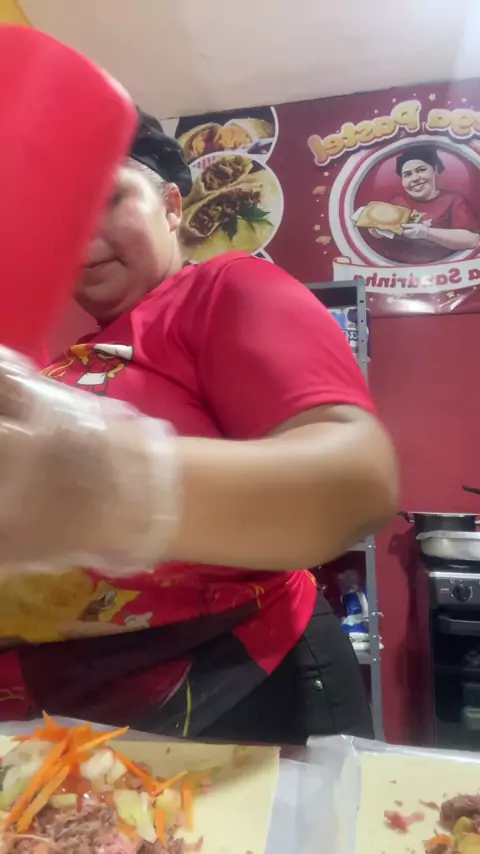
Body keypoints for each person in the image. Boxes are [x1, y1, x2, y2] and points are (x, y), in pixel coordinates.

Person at [0, 109, 398, 744]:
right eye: (61, 218)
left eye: (106, 200)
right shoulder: (70, 357)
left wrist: (112, 485)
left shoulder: (224, 289)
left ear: (171, 206)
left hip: (240, 687)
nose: (80, 237)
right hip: (78, 716)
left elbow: (356, 482)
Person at [371, 145, 480, 264]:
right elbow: (385, 233)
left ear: (435, 170)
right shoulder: (397, 202)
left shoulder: (454, 200)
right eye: (407, 174)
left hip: (444, 269)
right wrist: (378, 232)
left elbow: (472, 240)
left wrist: (427, 233)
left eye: (421, 170)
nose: (415, 178)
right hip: (396, 270)